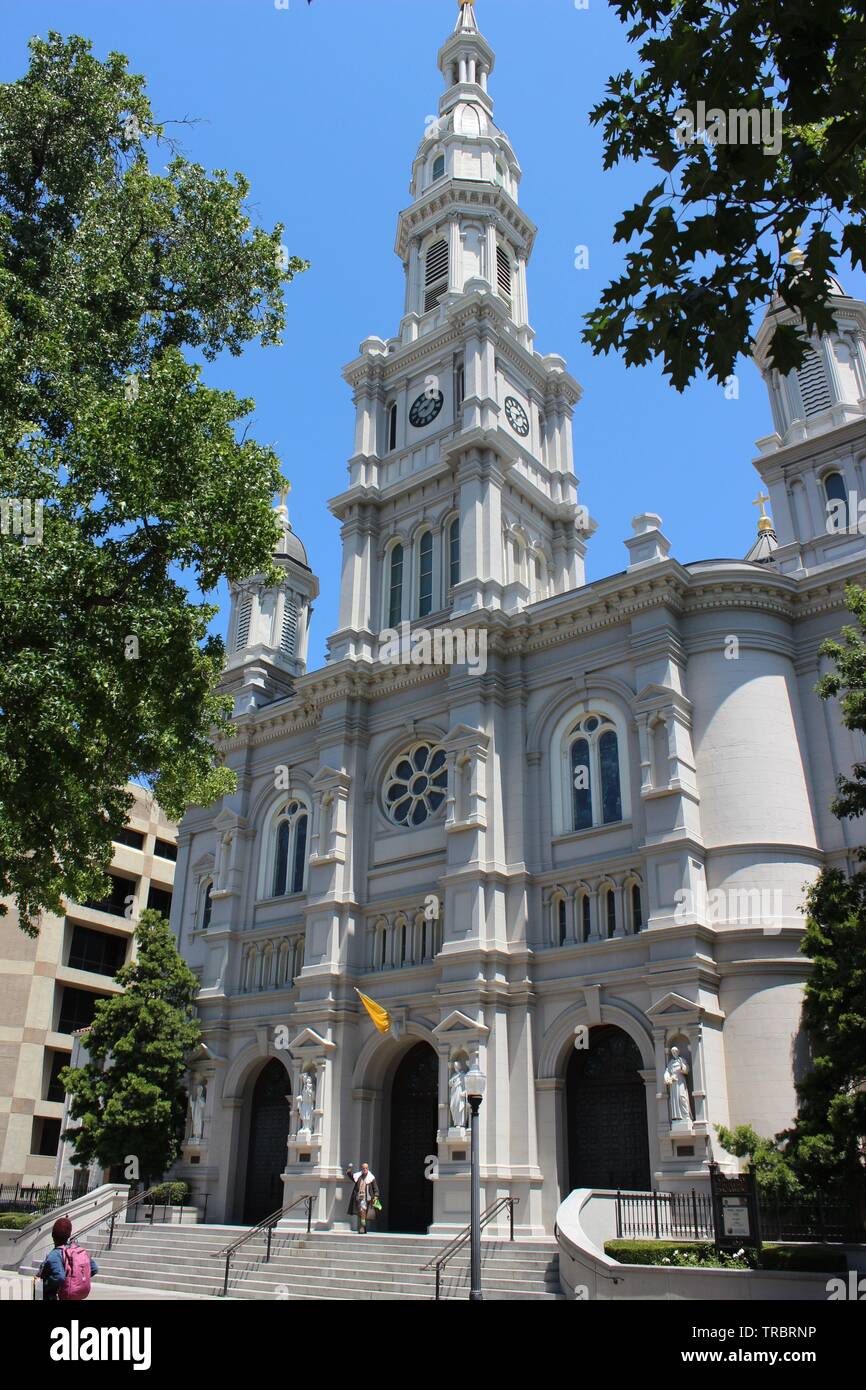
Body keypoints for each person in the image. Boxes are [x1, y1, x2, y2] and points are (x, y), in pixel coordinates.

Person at [39, 1217, 98, 1301]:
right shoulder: (78, 1250)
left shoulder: (55, 1254)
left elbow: (59, 1277)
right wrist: (76, 1280)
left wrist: (44, 1283)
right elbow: (94, 1268)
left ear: (52, 1235)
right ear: (69, 1235)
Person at [345, 1161, 380, 1235]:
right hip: (358, 1197)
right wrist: (349, 1171)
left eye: (366, 1168)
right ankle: (363, 1227)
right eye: (363, 1168)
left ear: (368, 1168)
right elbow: (352, 1177)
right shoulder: (358, 1176)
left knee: (362, 1211)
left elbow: (375, 1188)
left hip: (366, 1198)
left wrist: (376, 1196)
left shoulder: (371, 1178)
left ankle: (362, 1227)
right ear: (362, 1168)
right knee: (361, 1213)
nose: (365, 1169)